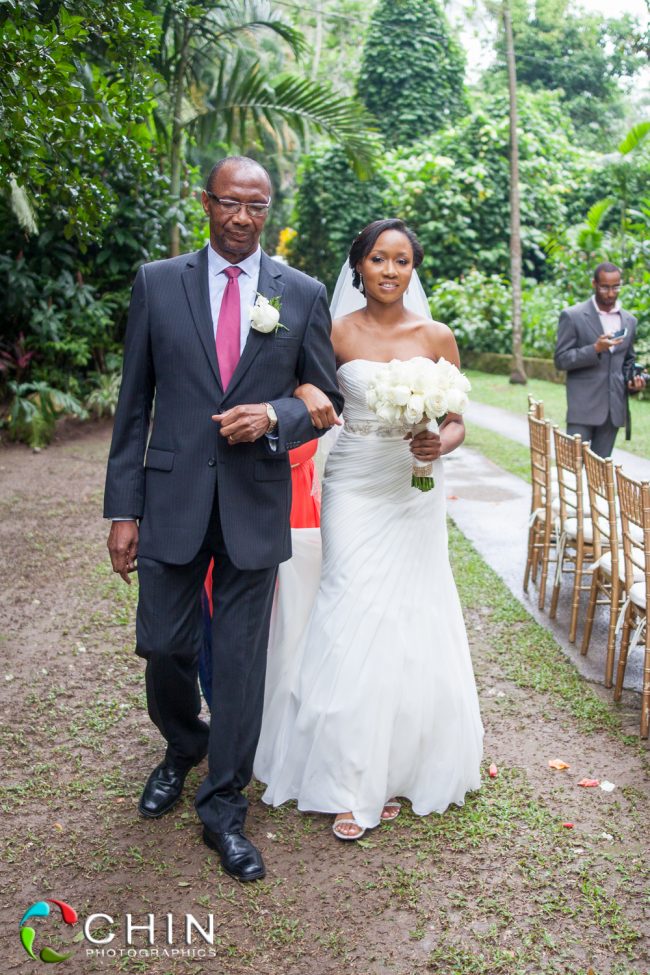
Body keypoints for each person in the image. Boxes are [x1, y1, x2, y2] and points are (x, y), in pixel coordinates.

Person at [104, 155, 342, 882]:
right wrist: (123, 508)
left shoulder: (298, 293)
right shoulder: (156, 282)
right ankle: (182, 742)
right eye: (230, 203)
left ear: (269, 210)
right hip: (171, 500)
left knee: (239, 664)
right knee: (162, 643)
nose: (243, 217)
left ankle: (223, 806)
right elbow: (133, 405)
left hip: (253, 502)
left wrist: (275, 412)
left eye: (257, 206)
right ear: (206, 202)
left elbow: (327, 397)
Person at [254, 219, 484, 840]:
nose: (390, 270)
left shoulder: (436, 335)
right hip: (354, 485)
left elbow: (458, 420)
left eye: (402, 260)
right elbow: (305, 387)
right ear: (359, 267)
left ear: (414, 268)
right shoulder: (334, 331)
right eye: (379, 259)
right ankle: (353, 775)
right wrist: (305, 384)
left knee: (410, 615)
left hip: (414, 489)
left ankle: (398, 765)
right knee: (349, 606)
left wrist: (441, 442)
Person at [554, 261, 645, 458]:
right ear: (594, 284)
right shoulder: (573, 316)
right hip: (583, 409)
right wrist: (595, 349)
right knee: (574, 473)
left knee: (600, 477)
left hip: (613, 412)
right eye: (605, 287)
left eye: (616, 287)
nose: (611, 293)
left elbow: (627, 362)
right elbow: (561, 360)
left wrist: (633, 382)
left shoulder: (629, 320)